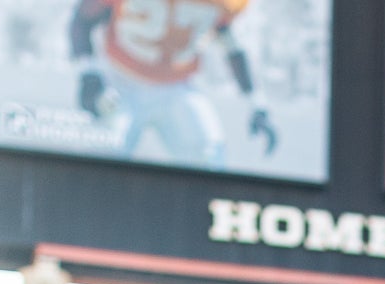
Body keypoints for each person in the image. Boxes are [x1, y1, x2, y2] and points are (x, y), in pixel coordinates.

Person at [69, 0, 277, 170]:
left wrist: (257, 103)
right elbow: (82, 18)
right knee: (103, 156)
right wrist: (89, 73)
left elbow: (231, 46)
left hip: (176, 88)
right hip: (121, 81)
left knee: (210, 157)